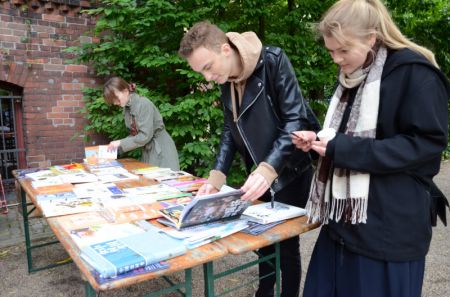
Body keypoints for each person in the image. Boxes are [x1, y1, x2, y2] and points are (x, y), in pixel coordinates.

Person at [291, 1, 450, 296]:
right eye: (330, 51)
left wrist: (344, 148)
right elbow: (349, 137)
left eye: (343, 50)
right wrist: (319, 141)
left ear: (371, 38)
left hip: (389, 233)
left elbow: (427, 146)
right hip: (343, 225)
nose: (336, 59)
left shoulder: (416, 73)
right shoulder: (358, 72)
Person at [178, 21, 320, 297]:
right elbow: (230, 130)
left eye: (208, 67)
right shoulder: (225, 79)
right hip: (259, 174)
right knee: (263, 243)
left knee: (286, 246)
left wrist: (269, 169)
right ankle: (264, 292)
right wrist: (216, 177)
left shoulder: (274, 60)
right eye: (201, 72)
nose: (207, 77)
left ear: (225, 49)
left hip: (289, 169)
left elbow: (295, 119)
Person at [103, 77, 180, 171]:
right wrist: (116, 149)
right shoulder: (127, 108)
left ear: (125, 91)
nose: (115, 102)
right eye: (112, 100)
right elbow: (135, 135)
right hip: (148, 150)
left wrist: (120, 143)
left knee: (165, 183)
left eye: (116, 98)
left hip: (162, 150)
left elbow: (145, 136)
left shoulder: (143, 104)